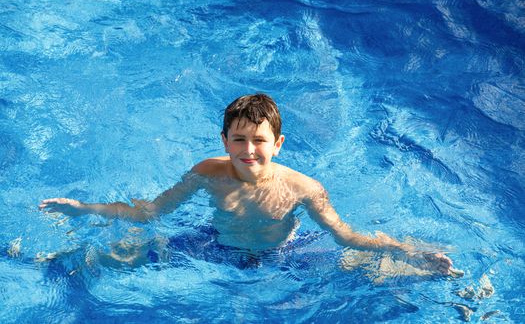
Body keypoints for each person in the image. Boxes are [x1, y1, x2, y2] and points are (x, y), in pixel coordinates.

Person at [40, 93, 454, 274]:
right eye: (239, 139)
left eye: (259, 140)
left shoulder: (304, 188)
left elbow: (345, 235)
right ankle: (57, 262)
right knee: (119, 254)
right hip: (215, 243)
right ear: (225, 141)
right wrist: (85, 208)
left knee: (366, 269)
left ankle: (433, 270)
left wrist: (406, 250)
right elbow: (150, 211)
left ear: (278, 144)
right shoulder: (207, 172)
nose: (248, 149)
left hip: (283, 252)